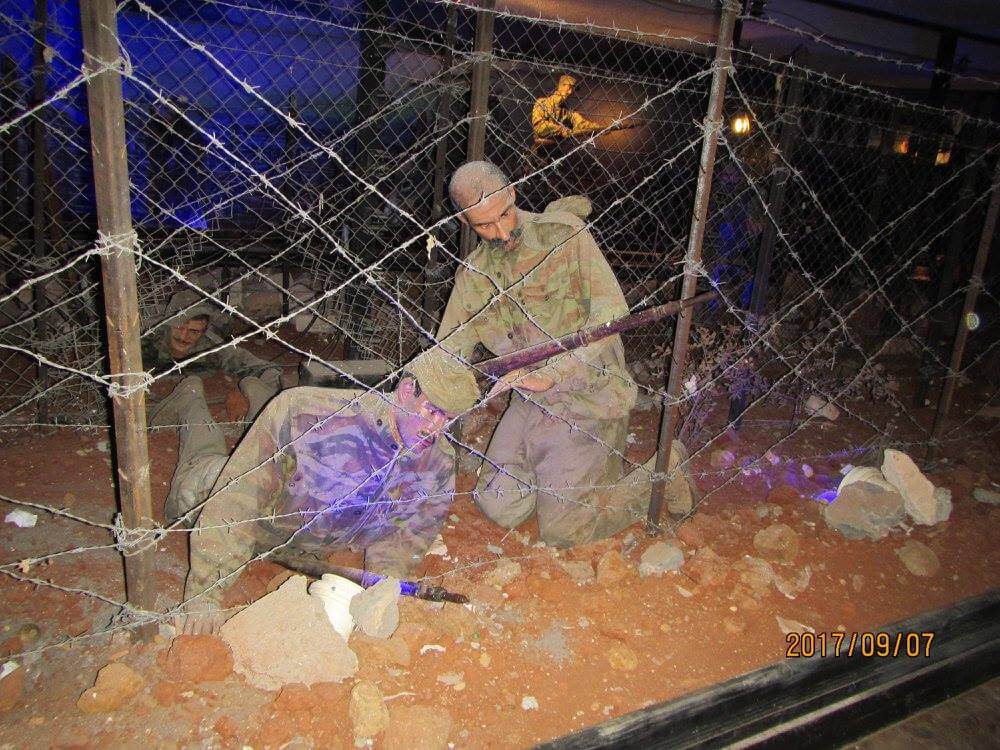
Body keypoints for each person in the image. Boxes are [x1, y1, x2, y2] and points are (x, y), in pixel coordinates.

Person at [437, 160, 696, 549]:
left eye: (504, 214)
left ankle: (666, 467)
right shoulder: (474, 277)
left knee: (565, 531)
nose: (501, 231)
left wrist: (554, 373)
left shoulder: (563, 236)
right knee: (498, 506)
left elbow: (611, 313)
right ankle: (559, 478)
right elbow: (448, 350)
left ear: (512, 193)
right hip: (530, 401)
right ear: (464, 220)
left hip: (587, 394)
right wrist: (410, 402)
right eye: (485, 226)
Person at [177, 346, 480, 634]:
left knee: (267, 426)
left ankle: (256, 387)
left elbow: (406, 536)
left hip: (296, 542)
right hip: (213, 493)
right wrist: (205, 593)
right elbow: (236, 501)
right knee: (206, 452)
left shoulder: (437, 463)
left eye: (448, 419)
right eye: (432, 411)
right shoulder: (307, 414)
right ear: (405, 390)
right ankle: (188, 396)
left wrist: (382, 589)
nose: (437, 428)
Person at [145, 291, 283, 523]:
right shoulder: (143, 342)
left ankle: (268, 457)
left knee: (253, 385)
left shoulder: (210, 346)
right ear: (168, 324)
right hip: (160, 408)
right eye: (179, 327)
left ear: (204, 331)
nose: (184, 336)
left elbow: (267, 369)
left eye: (194, 332)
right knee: (192, 389)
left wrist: (246, 392)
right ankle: (201, 479)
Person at [531, 74, 604, 148]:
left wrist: (601, 128)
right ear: (561, 87)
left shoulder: (568, 111)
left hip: (557, 148)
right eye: (569, 88)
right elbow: (539, 127)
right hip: (539, 148)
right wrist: (561, 130)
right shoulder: (542, 102)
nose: (571, 92)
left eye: (573, 89)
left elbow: (582, 124)